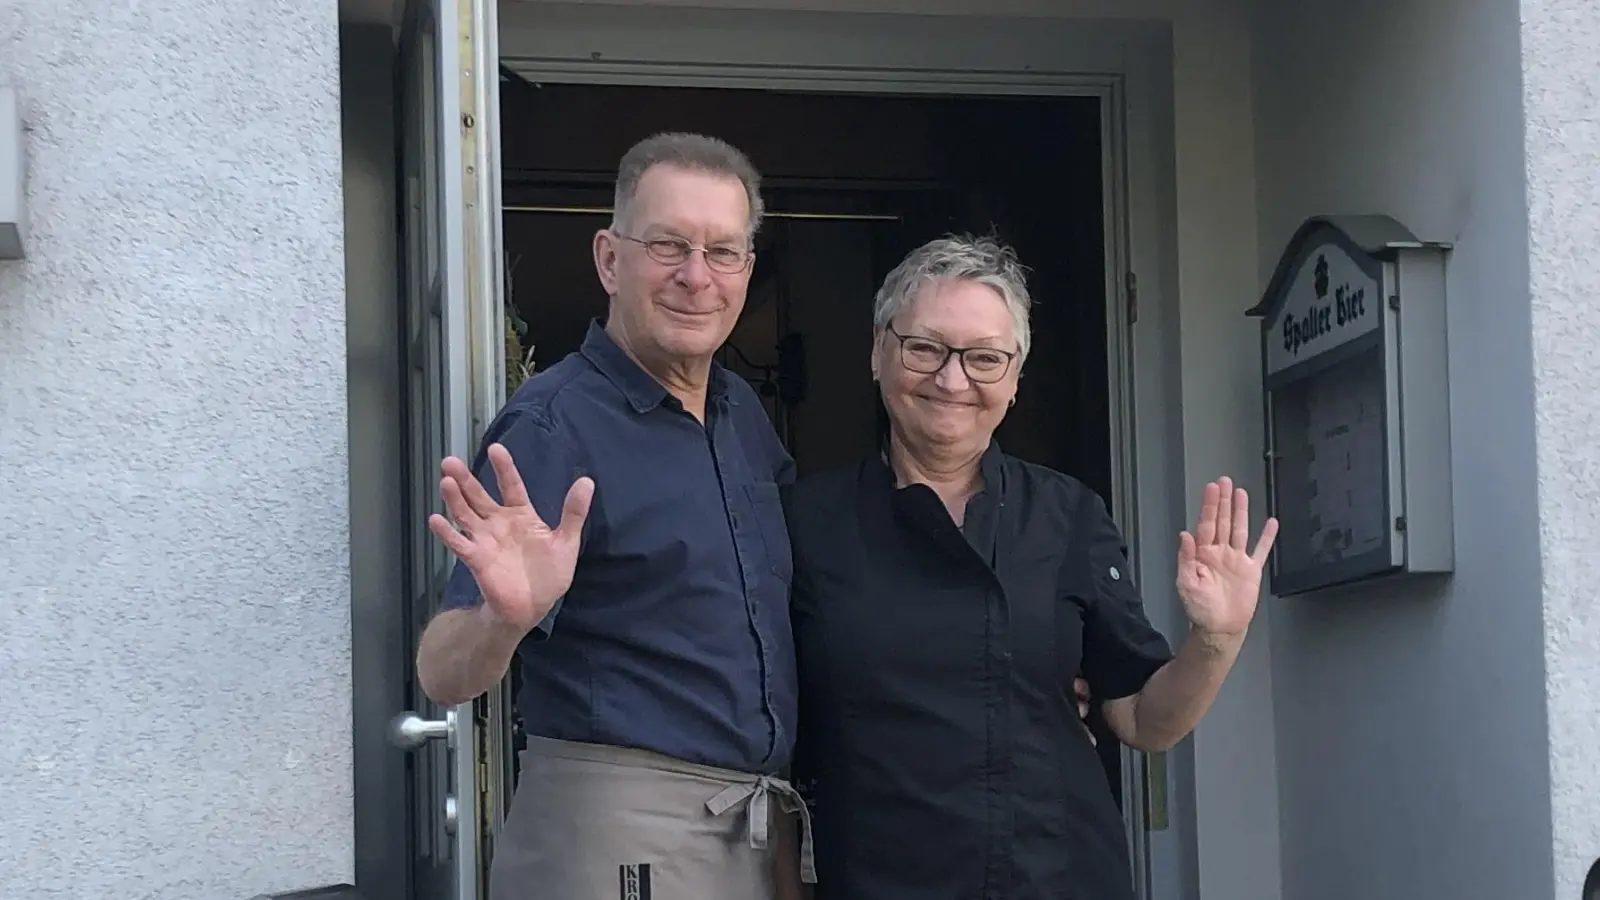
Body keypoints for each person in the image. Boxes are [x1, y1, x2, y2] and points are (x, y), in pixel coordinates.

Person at [781, 234, 1279, 900]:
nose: (952, 379)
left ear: (1015, 379)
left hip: (1055, 874)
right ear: (879, 351)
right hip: (879, 875)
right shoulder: (805, 522)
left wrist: (1217, 639)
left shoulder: (1066, 515)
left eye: (984, 358)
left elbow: (1141, 720)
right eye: (925, 347)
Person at [415, 132, 808, 900]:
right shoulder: (553, 429)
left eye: (722, 252)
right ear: (608, 259)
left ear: (746, 272)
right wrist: (503, 620)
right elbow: (440, 673)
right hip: (618, 843)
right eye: (668, 244)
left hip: (751, 830)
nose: (697, 276)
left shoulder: (740, 418)